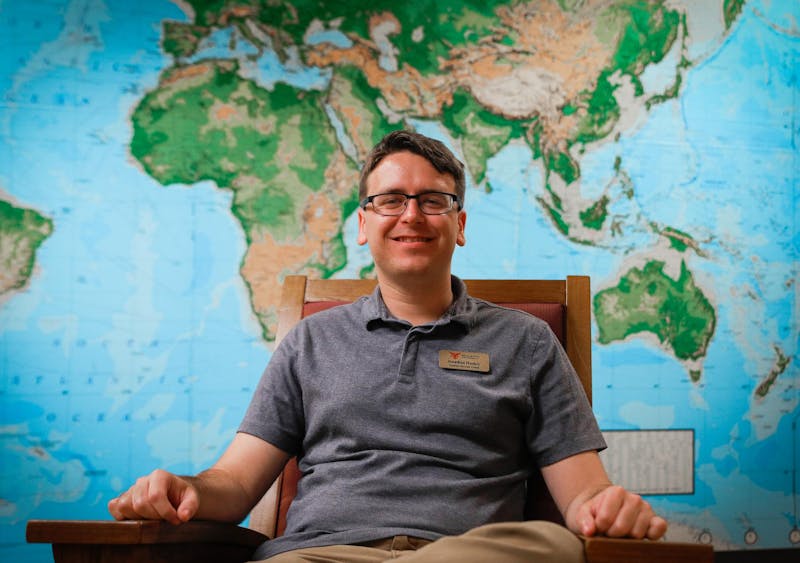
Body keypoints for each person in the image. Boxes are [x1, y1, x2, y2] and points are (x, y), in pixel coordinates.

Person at [109, 130, 667, 562]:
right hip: (321, 555)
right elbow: (233, 485)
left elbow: (583, 496)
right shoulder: (309, 342)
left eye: (432, 200)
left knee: (553, 545)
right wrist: (184, 489)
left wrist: (606, 508)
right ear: (363, 223)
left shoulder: (527, 341)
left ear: (460, 223)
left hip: (466, 553)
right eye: (390, 200)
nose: (411, 215)